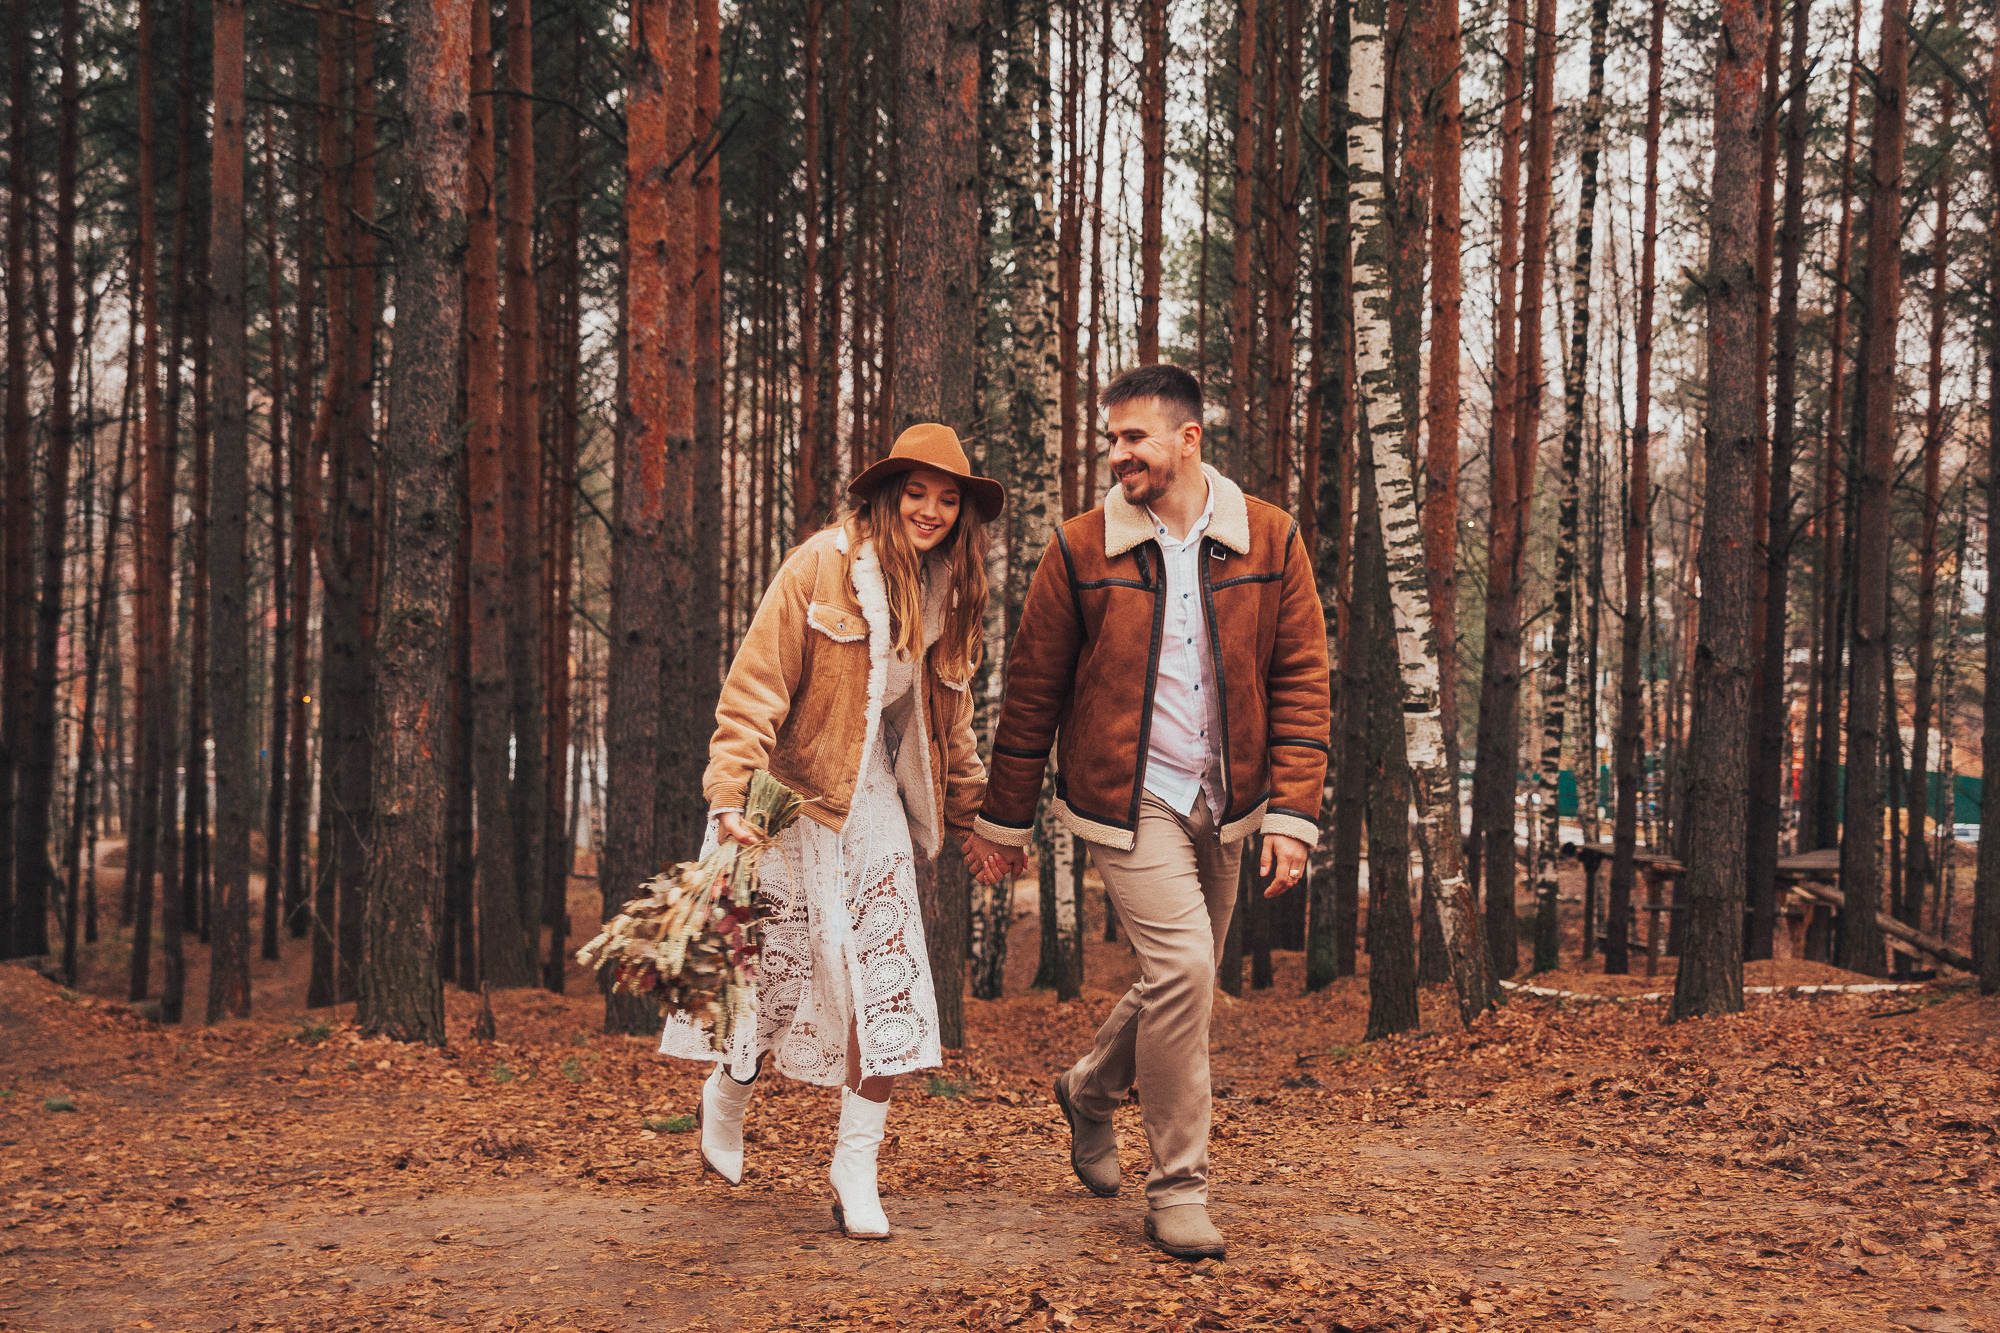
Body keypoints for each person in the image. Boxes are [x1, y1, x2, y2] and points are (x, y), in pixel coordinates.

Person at [961, 365, 1330, 1261]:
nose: (1114, 452)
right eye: (1111, 436)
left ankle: (1089, 1090)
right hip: (1131, 800)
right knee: (1190, 965)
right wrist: (1003, 821)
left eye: (1134, 437)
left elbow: (1301, 680)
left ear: (1188, 440)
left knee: (1181, 979)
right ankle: (1180, 1189)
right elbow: (1034, 689)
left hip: (1229, 798)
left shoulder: (1269, 538)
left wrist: (1290, 810)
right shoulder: (1081, 547)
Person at [660, 423, 1004, 1240]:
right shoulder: (820, 564)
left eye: (947, 499)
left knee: (885, 982)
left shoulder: (949, 593)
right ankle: (729, 1093)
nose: (930, 510)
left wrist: (977, 821)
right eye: (915, 493)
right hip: (779, 803)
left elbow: (949, 725)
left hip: (869, 800)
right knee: (768, 984)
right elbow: (754, 688)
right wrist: (731, 796)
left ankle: (855, 1161)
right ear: (886, 496)